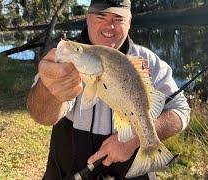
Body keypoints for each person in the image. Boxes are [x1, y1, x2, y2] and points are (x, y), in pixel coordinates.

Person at [27, 0, 191, 179]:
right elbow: (42, 116)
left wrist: (134, 138)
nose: (109, 26)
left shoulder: (149, 62)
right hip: (68, 172)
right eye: (101, 16)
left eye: (118, 18)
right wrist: (49, 89)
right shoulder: (68, 58)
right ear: (88, 18)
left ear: (129, 22)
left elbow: (181, 110)